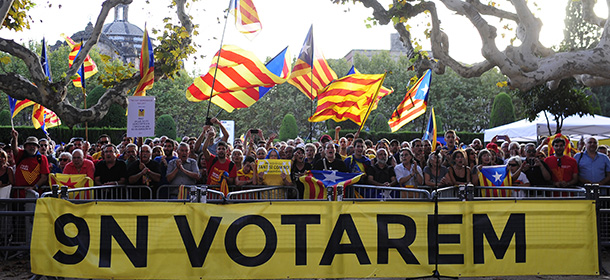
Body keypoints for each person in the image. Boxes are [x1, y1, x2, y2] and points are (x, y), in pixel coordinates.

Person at [11, 129, 50, 196]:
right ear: (25, 147)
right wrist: (14, 138)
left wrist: (34, 187)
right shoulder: (21, 155)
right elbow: (14, 148)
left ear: (37, 147)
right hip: (19, 195)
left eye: (34, 145)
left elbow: (44, 177)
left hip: (35, 195)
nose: (32, 147)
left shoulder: (42, 158)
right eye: (29, 145)